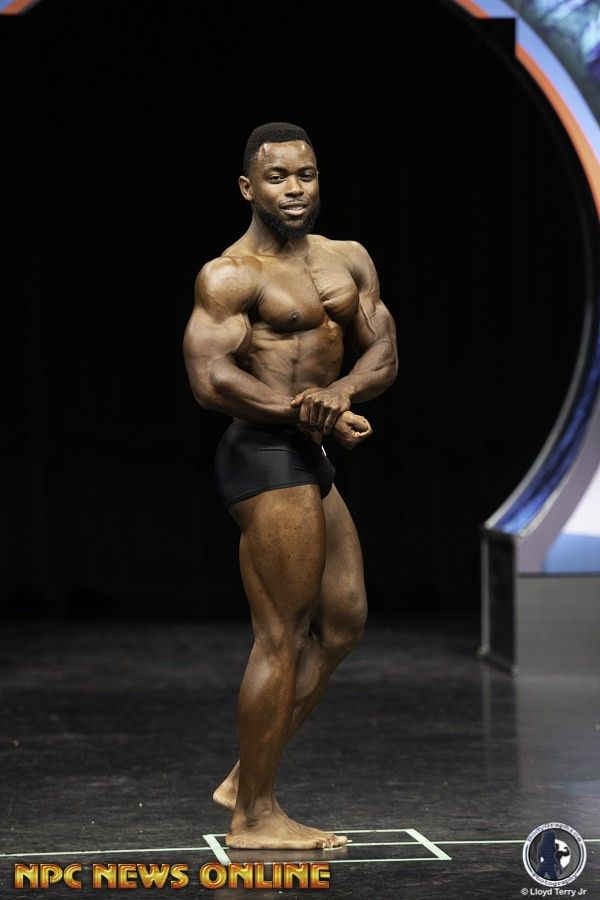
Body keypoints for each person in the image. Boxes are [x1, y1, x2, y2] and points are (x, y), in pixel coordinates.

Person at [182, 122, 398, 850]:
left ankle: (246, 777)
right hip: (263, 457)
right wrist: (307, 412)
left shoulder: (348, 259)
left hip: (309, 450)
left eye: (305, 174)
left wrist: (338, 395)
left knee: (343, 621)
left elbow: (384, 351)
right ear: (249, 188)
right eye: (277, 177)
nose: (295, 188)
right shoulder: (230, 275)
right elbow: (211, 379)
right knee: (281, 635)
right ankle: (255, 816)